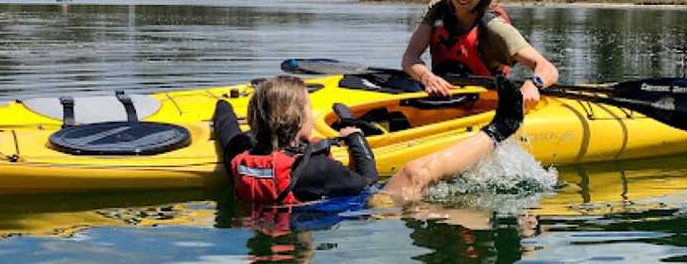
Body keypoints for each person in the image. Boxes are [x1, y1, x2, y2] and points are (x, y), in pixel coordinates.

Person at [213, 71, 525, 206]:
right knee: (414, 174)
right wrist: (356, 137)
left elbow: (227, 128)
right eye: (309, 109)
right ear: (298, 120)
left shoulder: (240, 159)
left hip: (281, 224)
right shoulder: (313, 169)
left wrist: (221, 104)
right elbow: (367, 181)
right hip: (374, 209)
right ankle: (502, 127)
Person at [402, 0, 559, 112]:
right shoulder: (437, 10)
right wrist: (426, 77)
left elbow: (548, 68)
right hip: (443, 102)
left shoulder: (494, 28)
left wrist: (533, 84)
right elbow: (409, 57)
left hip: (484, 109)